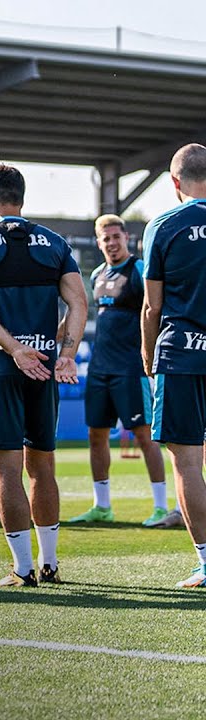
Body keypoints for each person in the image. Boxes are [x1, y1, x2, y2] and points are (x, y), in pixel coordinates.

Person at [0, 164, 87, 587]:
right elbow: (79, 303)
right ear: (21, 198)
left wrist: (13, 348)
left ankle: (23, 570)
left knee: (7, 471)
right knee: (42, 467)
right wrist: (66, 354)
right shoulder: (54, 242)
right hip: (45, 368)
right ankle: (50, 564)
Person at [69, 214, 177, 527]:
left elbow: (155, 307)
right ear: (99, 241)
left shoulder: (139, 269)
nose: (112, 243)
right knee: (96, 436)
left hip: (132, 367)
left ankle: (161, 506)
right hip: (100, 368)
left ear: (125, 237)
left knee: (145, 436)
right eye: (106, 239)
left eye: (116, 237)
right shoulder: (97, 275)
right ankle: (102, 506)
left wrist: (152, 355)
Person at [140, 143, 206, 588]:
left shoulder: (162, 225)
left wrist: (148, 357)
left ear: (174, 181)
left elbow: (151, 305)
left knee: (186, 463)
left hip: (180, 352)